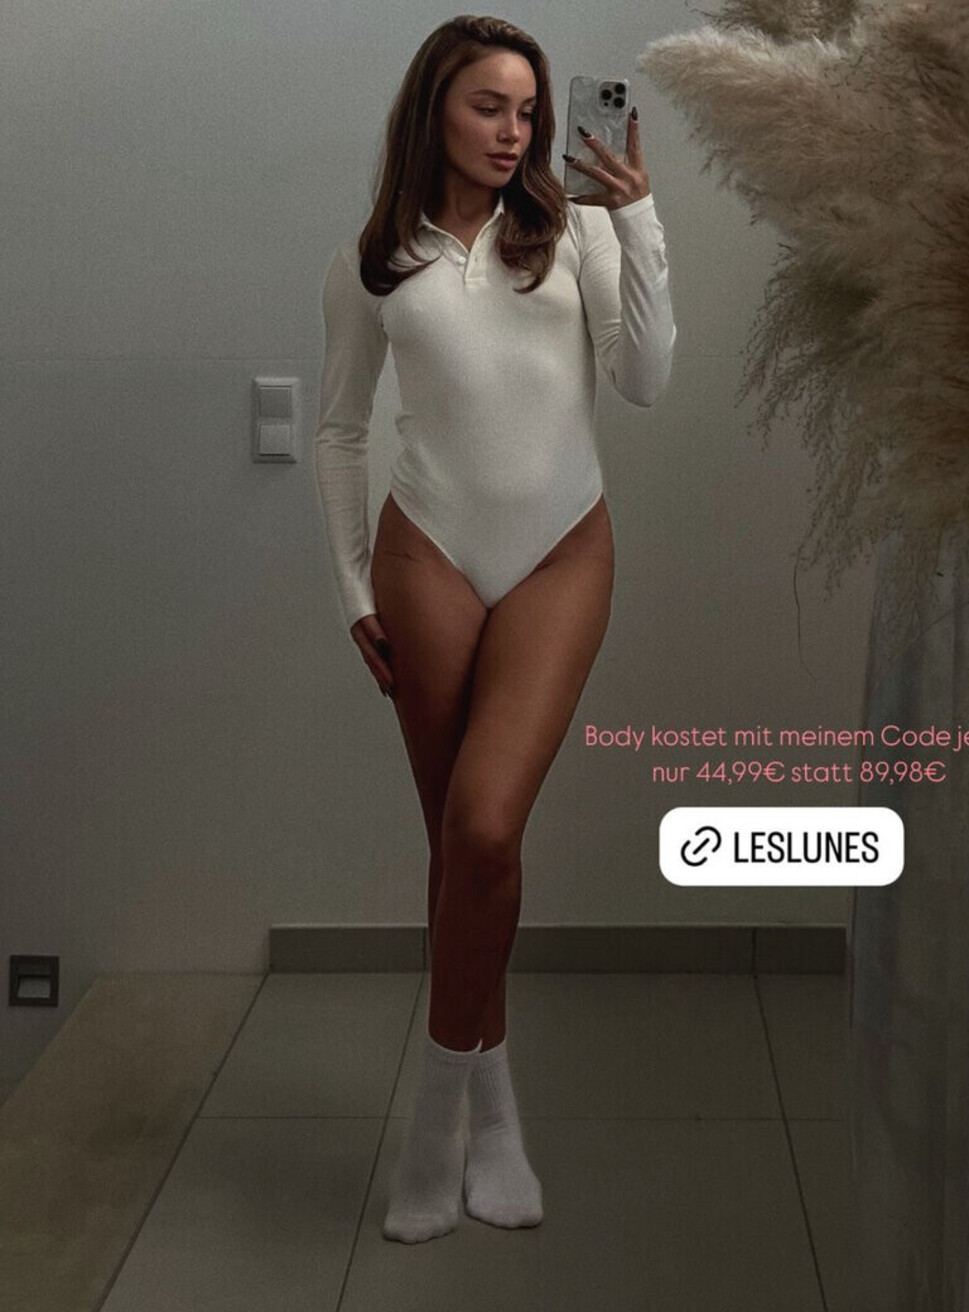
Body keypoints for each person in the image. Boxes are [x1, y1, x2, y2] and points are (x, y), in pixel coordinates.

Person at [313, 14, 676, 1244]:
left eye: (528, 110)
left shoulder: (572, 232)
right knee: (461, 854)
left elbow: (645, 381)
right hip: (427, 556)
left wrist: (637, 217)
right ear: (435, 109)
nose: (515, 129)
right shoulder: (373, 261)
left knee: (482, 824)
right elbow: (341, 429)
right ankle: (497, 1110)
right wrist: (353, 588)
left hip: (561, 552)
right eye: (489, 105)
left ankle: (436, 1119)